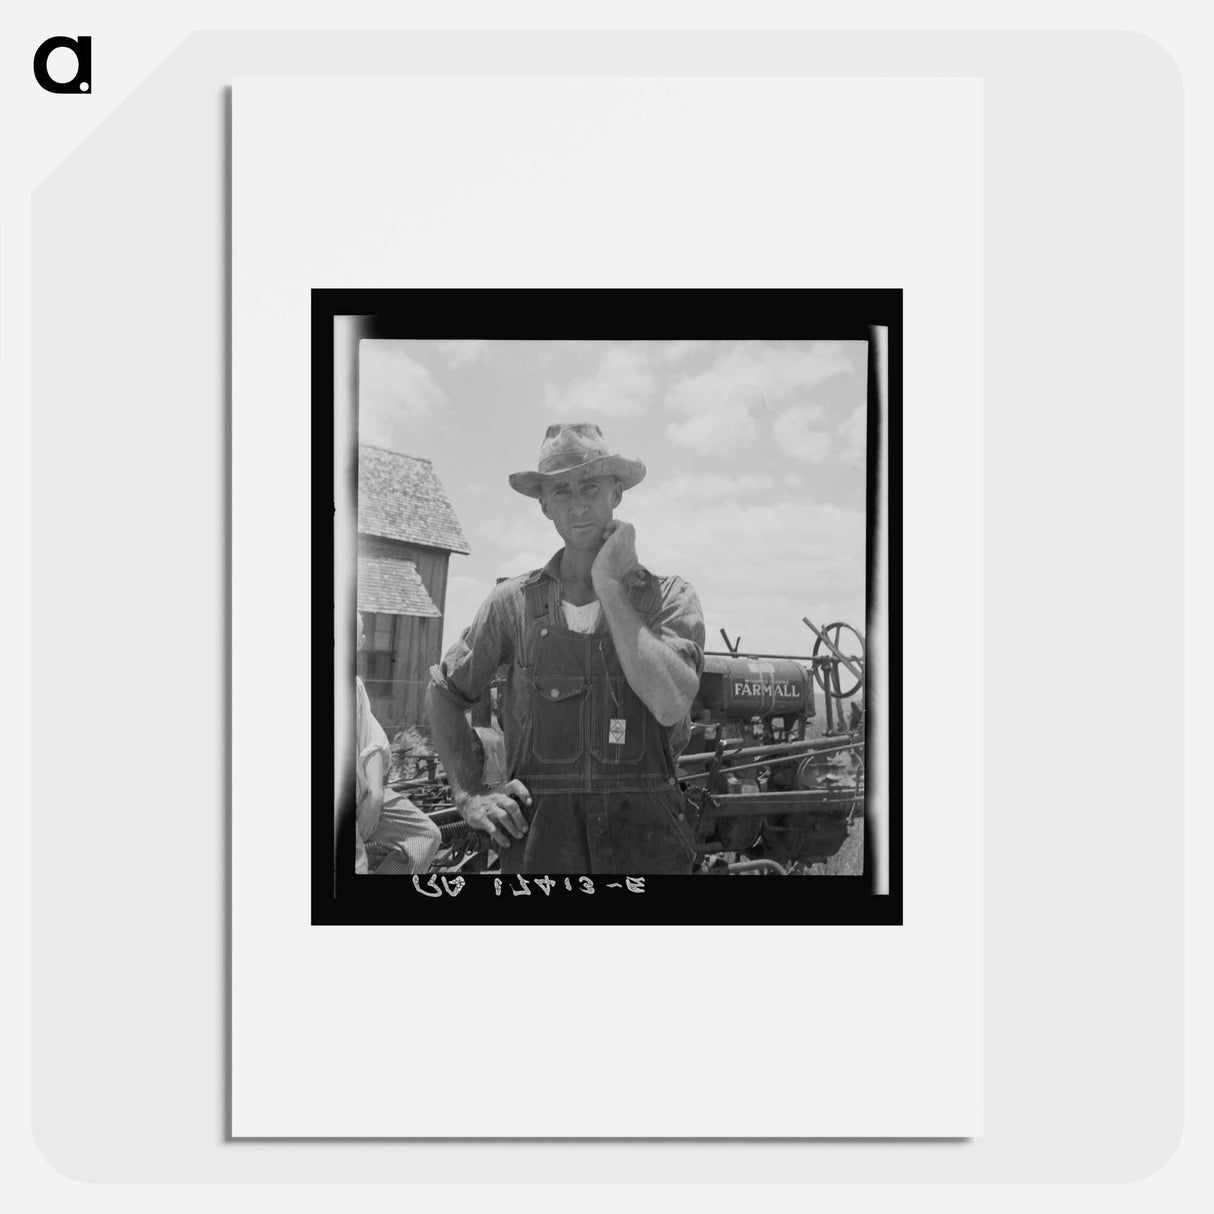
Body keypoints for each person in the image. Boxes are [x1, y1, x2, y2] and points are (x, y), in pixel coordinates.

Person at [426, 422, 706, 874]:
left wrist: (609, 586)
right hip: (541, 855)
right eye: (561, 491)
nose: (578, 505)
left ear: (616, 493)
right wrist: (469, 793)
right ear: (544, 506)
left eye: (590, 486)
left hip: (646, 854)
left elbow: (671, 702)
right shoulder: (512, 604)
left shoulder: (669, 599)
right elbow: (443, 692)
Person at [354, 613, 442, 875]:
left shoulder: (355, 687)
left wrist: (376, 796)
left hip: (362, 793)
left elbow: (372, 741)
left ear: (360, 642)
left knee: (425, 836)